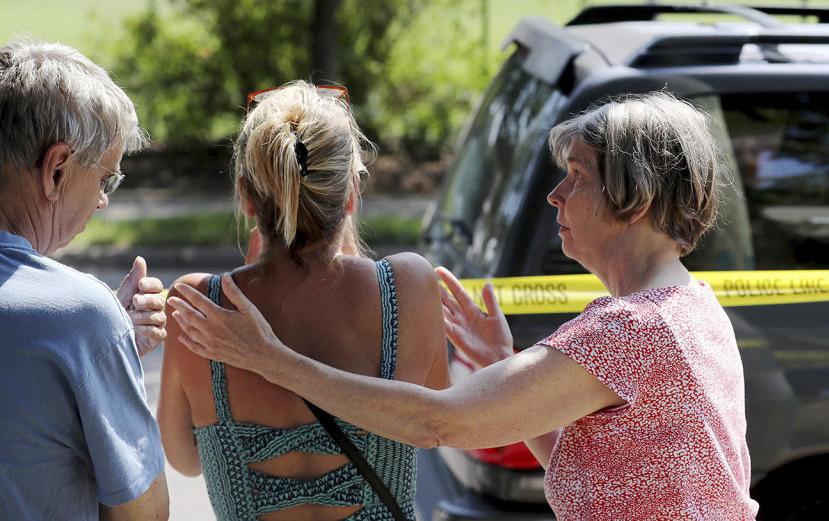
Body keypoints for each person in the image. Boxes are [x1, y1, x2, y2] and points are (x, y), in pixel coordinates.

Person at [171, 92, 760, 520]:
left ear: (638, 201)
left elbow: (437, 423)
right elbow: (598, 482)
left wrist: (272, 359)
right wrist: (509, 361)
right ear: (351, 193)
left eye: (576, 176)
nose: (555, 194)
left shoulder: (632, 328)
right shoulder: (691, 307)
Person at [157, 81, 450, 520]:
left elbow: (185, 459)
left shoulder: (199, 305)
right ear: (350, 194)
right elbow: (440, 420)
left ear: (246, 198)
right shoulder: (405, 289)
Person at [0, 40, 168, 519]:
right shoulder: (82, 317)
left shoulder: (84, 325)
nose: (102, 201)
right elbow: (144, 513)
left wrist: (100, 353)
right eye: (105, 179)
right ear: (55, 170)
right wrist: (100, 337)